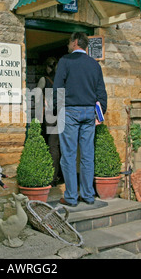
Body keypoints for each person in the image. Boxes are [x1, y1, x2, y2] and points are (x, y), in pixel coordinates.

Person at [53, 32, 107, 207]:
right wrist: (100, 112)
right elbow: (101, 92)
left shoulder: (65, 61)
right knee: (87, 155)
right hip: (89, 112)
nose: (68, 45)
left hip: (70, 111)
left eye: (69, 41)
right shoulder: (94, 65)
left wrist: (56, 109)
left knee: (68, 155)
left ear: (75, 42)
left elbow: (57, 88)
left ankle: (70, 197)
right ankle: (88, 195)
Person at [36, 57, 63, 186]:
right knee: (57, 147)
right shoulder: (63, 81)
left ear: (48, 67)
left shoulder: (44, 80)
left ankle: (50, 177)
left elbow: (36, 98)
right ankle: (57, 176)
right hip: (61, 116)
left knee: (49, 146)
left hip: (49, 117)